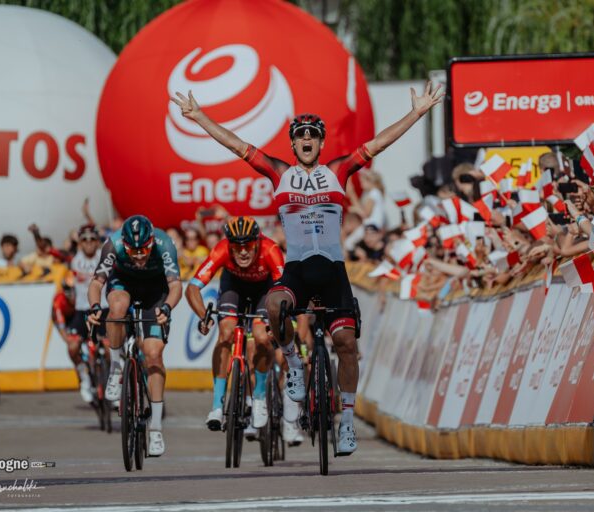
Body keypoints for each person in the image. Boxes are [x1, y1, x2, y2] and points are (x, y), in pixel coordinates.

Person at [172, 81, 443, 454]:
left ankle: (346, 423)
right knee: (273, 306)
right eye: (300, 136)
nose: (306, 140)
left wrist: (416, 114)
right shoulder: (279, 173)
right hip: (298, 269)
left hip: (333, 271)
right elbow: (236, 145)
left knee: (346, 345)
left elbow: (379, 143)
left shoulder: (338, 170)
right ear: (293, 143)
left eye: (313, 136)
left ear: (320, 142)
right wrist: (200, 117)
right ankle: (295, 366)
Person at [186, 217, 301, 440]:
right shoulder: (221, 249)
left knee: (260, 336)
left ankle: (258, 397)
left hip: (264, 292)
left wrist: (276, 321)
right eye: (237, 247)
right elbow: (191, 288)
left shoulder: (270, 250)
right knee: (226, 332)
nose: (243, 252)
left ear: (257, 242)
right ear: (229, 244)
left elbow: (284, 289)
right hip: (234, 288)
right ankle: (217, 406)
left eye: (248, 245)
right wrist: (203, 316)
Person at [87, 215, 182, 457]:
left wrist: (168, 308)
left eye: (144, 250)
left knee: (153, 356)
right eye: (133, 251)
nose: (139, 256)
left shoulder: (164, 243)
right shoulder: (113, 244)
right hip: (123, 283)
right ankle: (117, 368)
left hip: (155, 291)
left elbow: (175, 286)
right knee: (116, 309)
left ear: (152, 242)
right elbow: (97, 283)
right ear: (124, 245)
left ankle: (157, 429)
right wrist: (95, 307)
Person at [67, 224, 107, 403]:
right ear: (79, 242)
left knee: (108, 348)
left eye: (92, 239)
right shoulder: (73, 259)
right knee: (73, 347)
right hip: (82, 310)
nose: (89, 242)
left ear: (98, 241)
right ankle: (84, 376)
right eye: (85, 239)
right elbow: (48, 249)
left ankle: (116, 381)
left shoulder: (105, 256)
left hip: (104, 309)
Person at [50, 282, 93, 402]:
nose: (71, 293)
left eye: (73, 289)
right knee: (73, 347)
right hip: (66, 321)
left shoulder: (84, 293)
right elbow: (61, 325)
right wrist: (68, 341)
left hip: (81, 314)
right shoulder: (59, 301)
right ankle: (83, 376)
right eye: (68, 290)